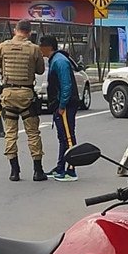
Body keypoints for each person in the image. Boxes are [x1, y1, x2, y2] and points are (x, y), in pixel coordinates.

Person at [0, 18, 47, 182]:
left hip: (8, 95)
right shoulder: (34, 49)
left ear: (15, 30)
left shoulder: (3, 47)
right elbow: (41, 71)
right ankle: (38, 170)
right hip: (26, 94)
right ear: (29, 32)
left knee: (10, 134)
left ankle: (14, 171)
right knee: (33, 133)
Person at [39, 35, 80, 182]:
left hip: (66, 105)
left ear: (48, 47)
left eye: (41, 45)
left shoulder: (60, 61)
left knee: (68, 137)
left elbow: (66, 85)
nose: (40, 49)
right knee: (62, 137)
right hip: (60, 104)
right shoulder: (55, 60)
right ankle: (60, 166)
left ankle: (71, 169)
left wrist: (62, 105)